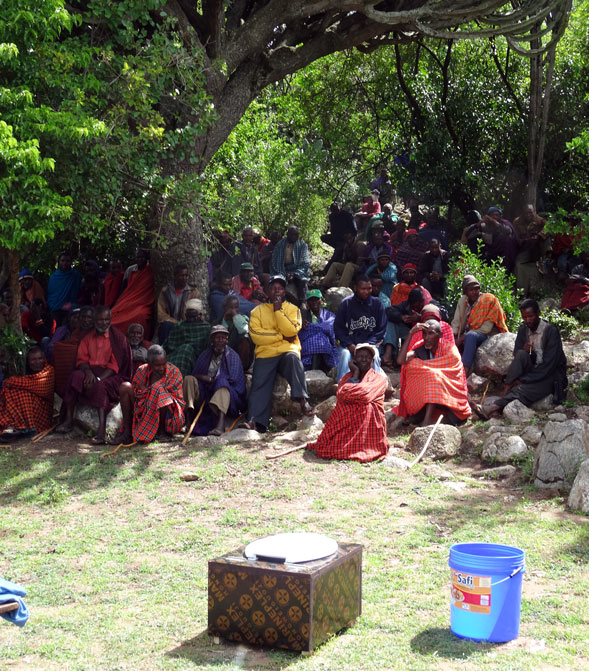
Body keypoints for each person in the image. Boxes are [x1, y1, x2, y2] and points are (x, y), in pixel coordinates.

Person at [240, 275, 313, 432]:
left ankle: (303, 400)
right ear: (267, 291)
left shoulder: (293, 309)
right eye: (273, 288)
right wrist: (281, 336)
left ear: (284, 292)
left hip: (288, 351)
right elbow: (256, 336)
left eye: (280, 288)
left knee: (294, 361)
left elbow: (292, 330)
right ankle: (255, 422)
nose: (276, 291)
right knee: (259, 382)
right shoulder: (257, 311)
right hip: (266, 354)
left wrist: (278, 310)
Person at [56, 306, 133, 444]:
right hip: (90, 371)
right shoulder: (87, 337)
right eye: (100, 320)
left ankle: (101, 431)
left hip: (110, 375)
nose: (103, 323)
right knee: (75, 377)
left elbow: (114, 366)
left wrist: (97, 378)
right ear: (95, 321)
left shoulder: (117, 338)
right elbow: (82, 359)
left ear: (110, 320)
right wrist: (88, 372)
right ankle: (68, 420)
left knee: (100, 387)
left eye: (106, 319)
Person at [483, 300, 568, 416]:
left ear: (538, 313)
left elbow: (549, 365)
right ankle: (507, 389)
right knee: (521, 354)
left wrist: (524, 380)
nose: (527, 320)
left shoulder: (550, 331)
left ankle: (495, 406)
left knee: (522, 390)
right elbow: (517, 354)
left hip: (551, 375)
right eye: (524, 317)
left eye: (530, 316)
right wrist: (527, 351)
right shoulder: (523, 330)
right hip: (533, 370)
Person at [306, 343, 388, 462]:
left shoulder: (379, 379)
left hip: (368, 426)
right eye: (360, 356)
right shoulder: (346, 377)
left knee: (367, 407)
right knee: (344, 406)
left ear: (372, 361)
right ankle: (345, 445)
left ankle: (363, 447)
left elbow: (365, 395)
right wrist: (355, 375)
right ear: (354, 360)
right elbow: (340, 393)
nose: (364, 359)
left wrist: (350, 394)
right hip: (347, 423)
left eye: (367, 357)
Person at [396, 320, 471, 426]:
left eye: (430, 333)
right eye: (424, 334)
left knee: (433, 376)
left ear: (440, 335)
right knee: (416, 368)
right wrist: (411, 334)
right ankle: (423, 417)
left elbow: (455, 374)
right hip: (429, 397)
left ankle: (426, 421)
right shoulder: (421, 347)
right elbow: (401, 360)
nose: (426, 337)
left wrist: (433, 373)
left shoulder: (450, 348)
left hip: (449, 396)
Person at [183, 325, 247, 436]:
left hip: (227, 394)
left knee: (222, 383)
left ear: (226, 340)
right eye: (217, 338)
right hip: (205, 391)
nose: (220, 341)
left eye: (223, 338)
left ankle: (220, 425)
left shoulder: (233, 356)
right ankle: (188, 419)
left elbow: (234, 380)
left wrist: (213, 380)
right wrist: (205, 379)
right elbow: (196, 374)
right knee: (189, 379)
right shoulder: (205, 355)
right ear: (212, 340)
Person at [115, 345, 184, 444]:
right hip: (143, 410)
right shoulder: (142, 370)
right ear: (149, 362)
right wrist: (146, 393)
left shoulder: (174, 372)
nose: (161, 368)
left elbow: (178, 400)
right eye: (157, 365)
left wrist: (152, 390)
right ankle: (127, 432)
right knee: (125, 387)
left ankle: (161, 433)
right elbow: (136, 394)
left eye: (163, 364)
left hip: (168, 416)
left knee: (159, 390)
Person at [333, 274, 387, 381]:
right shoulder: (346, 303)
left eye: (369, 288)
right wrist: (349, 344)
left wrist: (368, 345)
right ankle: (343, 386)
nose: (367, 291)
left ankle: (374, 386)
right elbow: (339, 328)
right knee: (344, 356)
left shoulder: (377, 303)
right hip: (350, 344)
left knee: (375, 356)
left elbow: (381, 329)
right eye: (363, 289)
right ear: (356, 288)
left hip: (369, 344)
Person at [451, 275, 508, 376]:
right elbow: (457, 321)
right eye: (471, 290)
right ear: (465, 291)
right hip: (468, 333)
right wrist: (454, 336)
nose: (474, 292)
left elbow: (486, 328)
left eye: (476, 289)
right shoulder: (463, 300)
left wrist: (463, 337)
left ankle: (464, 371)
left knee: (470, 336)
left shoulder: (488, 300)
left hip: (486, 335)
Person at [0, 347, 55, 441]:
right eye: (33, 359)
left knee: (23, 394)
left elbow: (38, 388)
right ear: (28, 362)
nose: (37, 362)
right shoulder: (28, 374)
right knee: (12, 392)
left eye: (39, 358)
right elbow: (25, 384)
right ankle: (13, 427)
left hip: (43, 413)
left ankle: (26, 428)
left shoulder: (49, 371)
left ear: (44, 359)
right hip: (29, 410)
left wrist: (11, 382)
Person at [51, 306, 95, 397]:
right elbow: (72, 342)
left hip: (91, 366)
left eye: (89, 317)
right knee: (58, 348)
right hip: (79, 364)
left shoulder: (96, 332)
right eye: (83, 317)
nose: (86, 320)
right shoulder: (77, 331)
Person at [111, 248, 155, 336]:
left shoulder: (150, 271)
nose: (140, 259)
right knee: (113, 312)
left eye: (143, 257)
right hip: (128, 300)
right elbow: (125, 290)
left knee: (140, 315)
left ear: (147, 258)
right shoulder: (131, 271)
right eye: (138, 257)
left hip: (142, 303)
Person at [163, 299, 211, 377]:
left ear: (200, 315)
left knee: (187, 349)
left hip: (196, 359)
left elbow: (206, 350)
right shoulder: (179, 326)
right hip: (177, 356)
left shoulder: (206, 328)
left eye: (194, 316)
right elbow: (168, 345)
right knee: (185, 349)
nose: (191, 319)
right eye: (189, 317)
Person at [156, 263, 201, 343]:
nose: (184, 278)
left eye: (186, 275)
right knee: (165, 326)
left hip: (187, 324)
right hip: (170, 324)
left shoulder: (193, 292)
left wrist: (184, 323)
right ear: (175, 276)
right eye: (181, 275)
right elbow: (161, 314)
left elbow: (197, 312)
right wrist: (176, 323)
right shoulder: (166, 291)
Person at [299, 289, 338, 372]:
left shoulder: (329, 315)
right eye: (311, 300)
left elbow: (329, 327)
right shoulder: (302, 315)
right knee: (314, 342)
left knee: (320, 341)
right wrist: (301, 325)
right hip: (306, 345)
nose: (314, 302)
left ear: (322, 300)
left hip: (325, 345)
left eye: (316, 299)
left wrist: (312, 327)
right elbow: (298, 331)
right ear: (307, 302)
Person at [270, 226, 311, 303]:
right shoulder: (280, 244)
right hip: (282, 269)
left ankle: (303, 302)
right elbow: (275, 261)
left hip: (297, 270)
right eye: (292, 234)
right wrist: (285, 273)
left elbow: (305, 262)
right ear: (288, 234)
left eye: (296, 234)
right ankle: (278, 302)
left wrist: (293, 273)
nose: (294, 237)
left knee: (302, 280)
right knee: (278, 281)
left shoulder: (302, 245)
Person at [386, 287, 426, 362]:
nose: (416, 309)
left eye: (418, 307)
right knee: (390, 323)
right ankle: (389, 354)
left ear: (422, 302)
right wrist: (401, 317)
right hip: (408, 333)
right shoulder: (406, 305)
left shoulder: (429, 304)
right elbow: (389, 311)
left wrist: (419, 318)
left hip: (423, 335)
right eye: (413, 307)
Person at [213, 294, 253, 371]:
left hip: (239, 353)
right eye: (231, 308)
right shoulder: (217, 322)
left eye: (236, 307)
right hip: (223, 354)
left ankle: (239, 369)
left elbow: (244, 330)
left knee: (245, 339)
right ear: (225, 308)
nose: (234, 310)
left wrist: (235, 316)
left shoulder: (243, 318)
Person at [320, 203, 357, 274]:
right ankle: (338, 249)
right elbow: (333, 230)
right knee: (323, 237)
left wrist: (349, 237)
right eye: (333, 210)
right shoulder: (332, 217)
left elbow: (354, 230)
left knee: (338, 250)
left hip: (346, 239)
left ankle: (326, 270)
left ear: (339, 208)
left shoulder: (347, 215)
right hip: (336, 237)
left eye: (336, 210)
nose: (336, 212)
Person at [46, 252, 82, 326]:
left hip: (70, 308)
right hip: (55, 308)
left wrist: (71, 304)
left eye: (67, 261)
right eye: (62, 261)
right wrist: (55, 305)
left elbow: (79, 291)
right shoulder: (54, 277)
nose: (65, 263)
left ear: (71, 262)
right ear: (59, 262)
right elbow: (50, 294)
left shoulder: (75, 275)